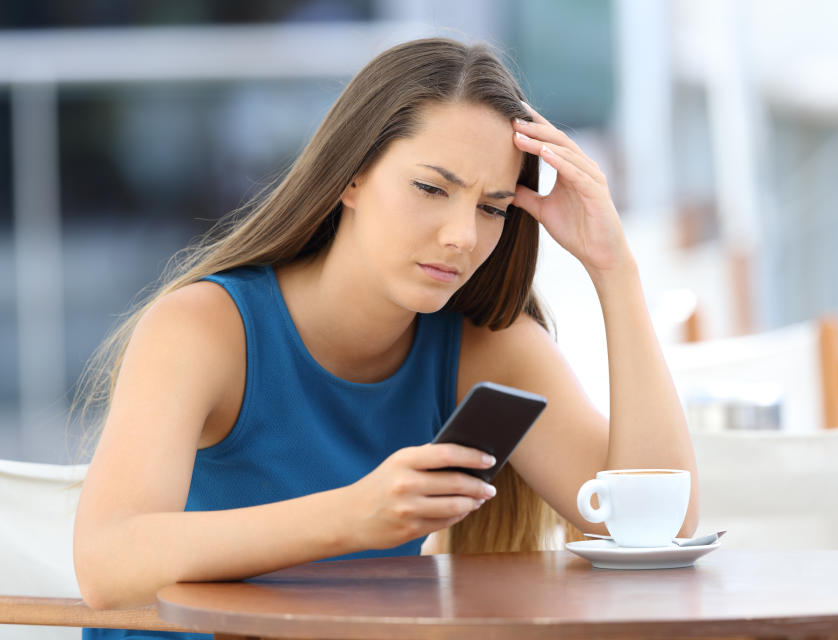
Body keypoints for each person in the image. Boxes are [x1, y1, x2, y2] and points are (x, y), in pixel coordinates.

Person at [73, 37, 698, 639]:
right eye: (432, 188)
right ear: (351, 176)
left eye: (492, 208)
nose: (462, 236)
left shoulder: (479, 347)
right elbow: (106, 563)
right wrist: (352, 516)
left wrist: (615, 271)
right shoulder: (207, 328)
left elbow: (659, 531)